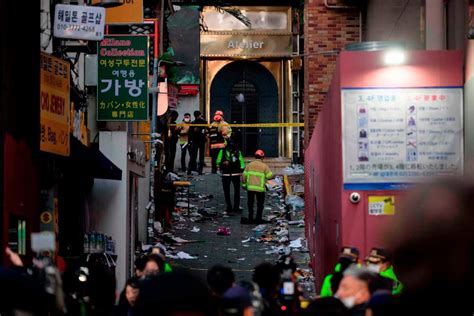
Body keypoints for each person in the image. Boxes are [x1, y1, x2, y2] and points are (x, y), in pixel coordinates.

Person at [241, 149, 273, 224]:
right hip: (260, 189)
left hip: (250, 188)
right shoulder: (264, 166)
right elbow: (270, 176)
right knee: (260, 205)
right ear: (262, 157)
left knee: (250, 204)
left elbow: (243, 176)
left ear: (255, 157)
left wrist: (244, 185)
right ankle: (258, 219)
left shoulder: (249, 165)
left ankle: (250, 218)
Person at [216, 138, 245, 215]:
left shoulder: (223, 151)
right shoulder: (237, 151)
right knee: (236, 192)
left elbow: (218, 161)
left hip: (226, 174)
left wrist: (220, 166)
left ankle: (229, 207)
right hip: (234, 174)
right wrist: (241, 170)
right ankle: (235, 208)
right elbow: (241, 162)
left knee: (227, 192)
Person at [188, 110, 207, 175]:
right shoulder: (204, 122)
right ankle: (199, 170)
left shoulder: (193, 123)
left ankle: (189, 170)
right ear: (199, 115)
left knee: (193, 156)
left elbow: (190, 133)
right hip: (201, 141)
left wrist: (189, 141)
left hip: (195, 141)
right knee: (201, 156)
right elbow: (206, 130)